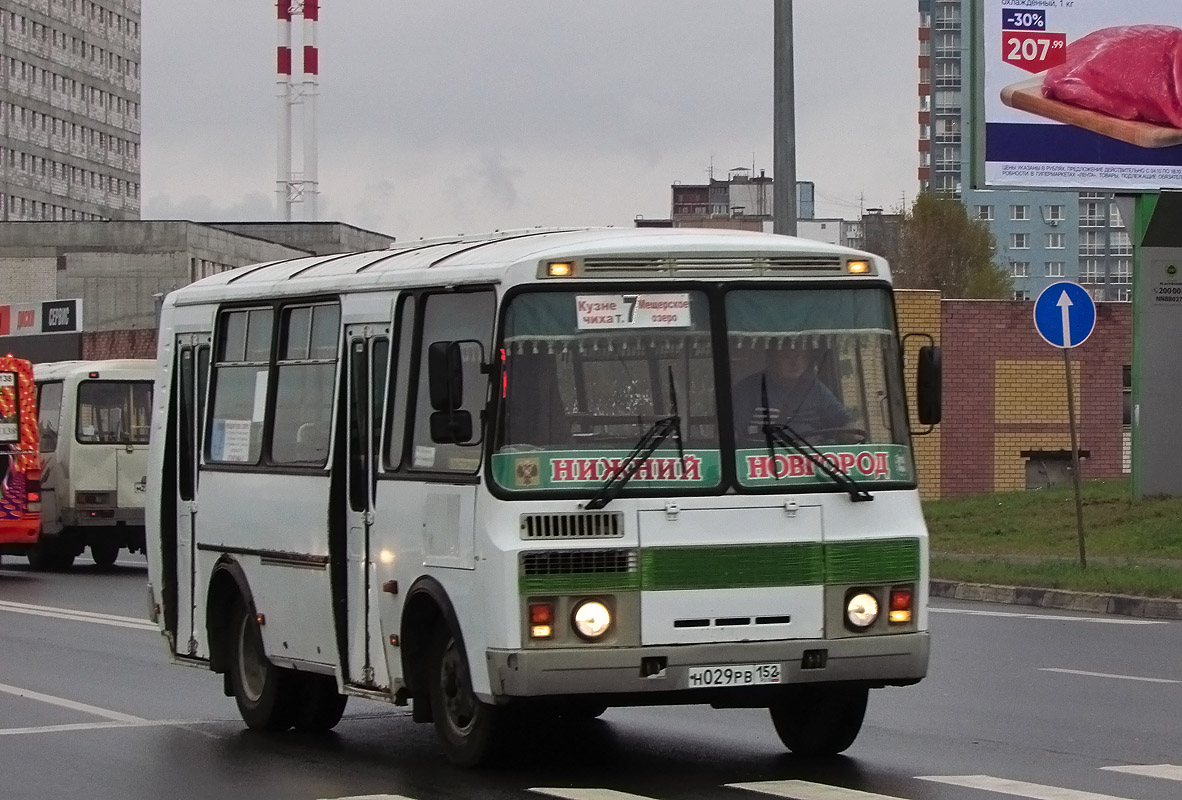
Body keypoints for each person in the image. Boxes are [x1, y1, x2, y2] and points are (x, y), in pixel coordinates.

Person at [732, 346, 852, 441]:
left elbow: (844, 422)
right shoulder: (748, 389)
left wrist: (850, 434)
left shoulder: (815, 389)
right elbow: (732, 433)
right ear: (771, 360)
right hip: (764, 462)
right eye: (787, 357)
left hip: (814, 460)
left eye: (800, 356)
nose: (796, 362)